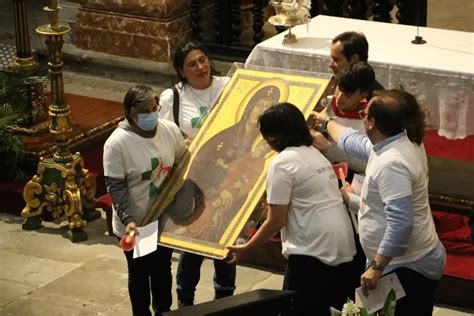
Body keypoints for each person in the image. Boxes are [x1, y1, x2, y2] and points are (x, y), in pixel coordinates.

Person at [312, 90, 446, 316]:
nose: (362, 116)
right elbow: (355, 142)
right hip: (401, 263)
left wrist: (377, 267)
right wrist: (325, 121)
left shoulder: (392, 163)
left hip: (406, 266)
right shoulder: (396, 141)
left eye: (365, 113)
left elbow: (400, 223)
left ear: (372, 123)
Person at [227, 103, 358, 316]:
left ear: (272, 137)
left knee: (298, 310)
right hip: (341, 245)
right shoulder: (315, 154)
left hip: (312, 251)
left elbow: (276, 220)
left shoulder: (282, 163)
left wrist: (247, 247)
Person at [158, 41, 235, 307]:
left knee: (224, 238)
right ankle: (185, 301)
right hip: (193, 178)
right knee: (196, 236)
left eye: (203, 60)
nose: (200, 67)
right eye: (192, 64)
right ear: (181, 71)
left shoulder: (229, 85)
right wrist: (182, 144)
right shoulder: (174, 97)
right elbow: (164, 136)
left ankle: (225, 300)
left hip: (225, 173)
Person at [103, 85, 186, 315]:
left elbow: (182, 166)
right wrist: (128, 219)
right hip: (138, 222)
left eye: (154, 108)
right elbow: (116, 186)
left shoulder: (169, 130)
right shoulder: (117, 143)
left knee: (161, 269)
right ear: (131, 113)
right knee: (140, 272)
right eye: (145, 112)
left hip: (163, 217)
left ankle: (164, 310)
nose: (152, 115)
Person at [329, 31, 384, 100]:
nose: (330, 65)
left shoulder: (375, 100)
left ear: (354, 59)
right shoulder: (339, 83)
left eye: (336, 60)